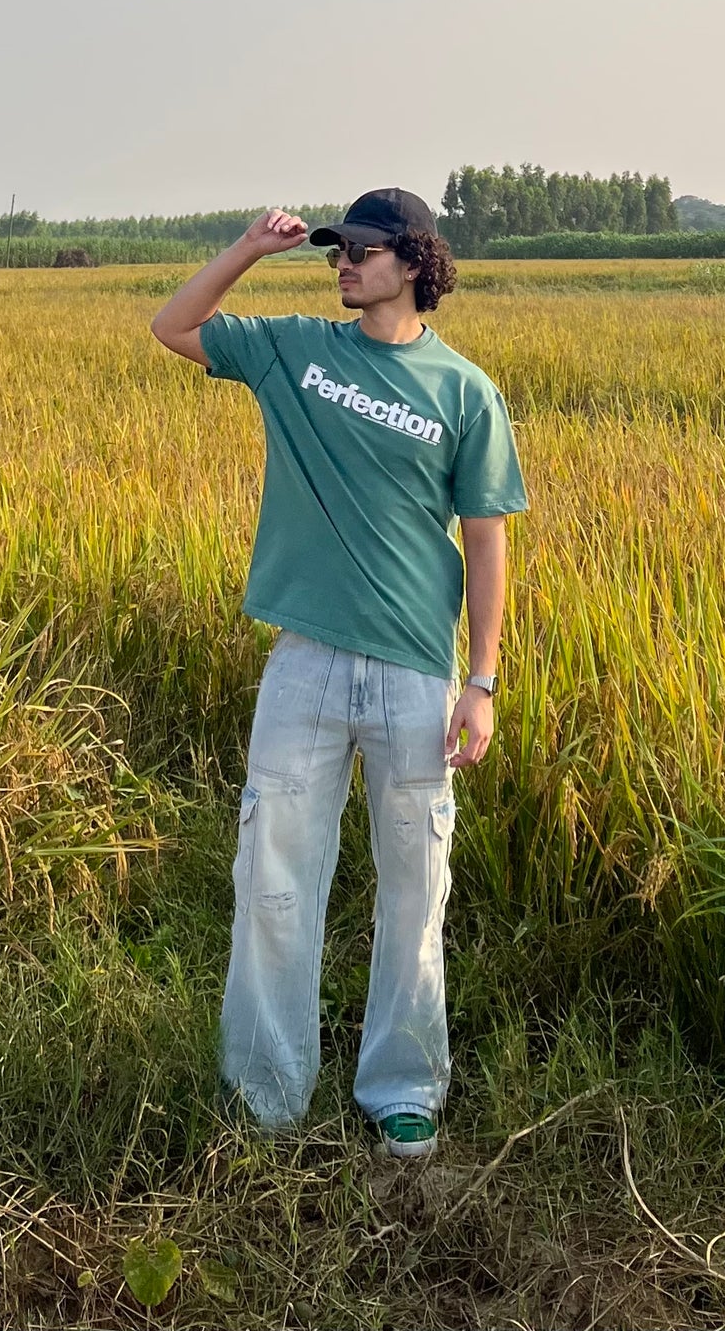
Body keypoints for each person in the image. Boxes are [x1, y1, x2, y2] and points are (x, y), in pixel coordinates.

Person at [149, 187, 527, 1160]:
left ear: (412, 261)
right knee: (271, 880)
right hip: (304, 663)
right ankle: (267, 1097)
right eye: (333, 253)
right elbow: (173, 324)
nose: (340, 265)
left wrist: (478, 684)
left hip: (413, 676)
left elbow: (485, 548)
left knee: (415, 891)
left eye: (357, 250)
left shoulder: (463, 393)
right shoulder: (294, 353)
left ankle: (402, 1090)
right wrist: (244, 246)